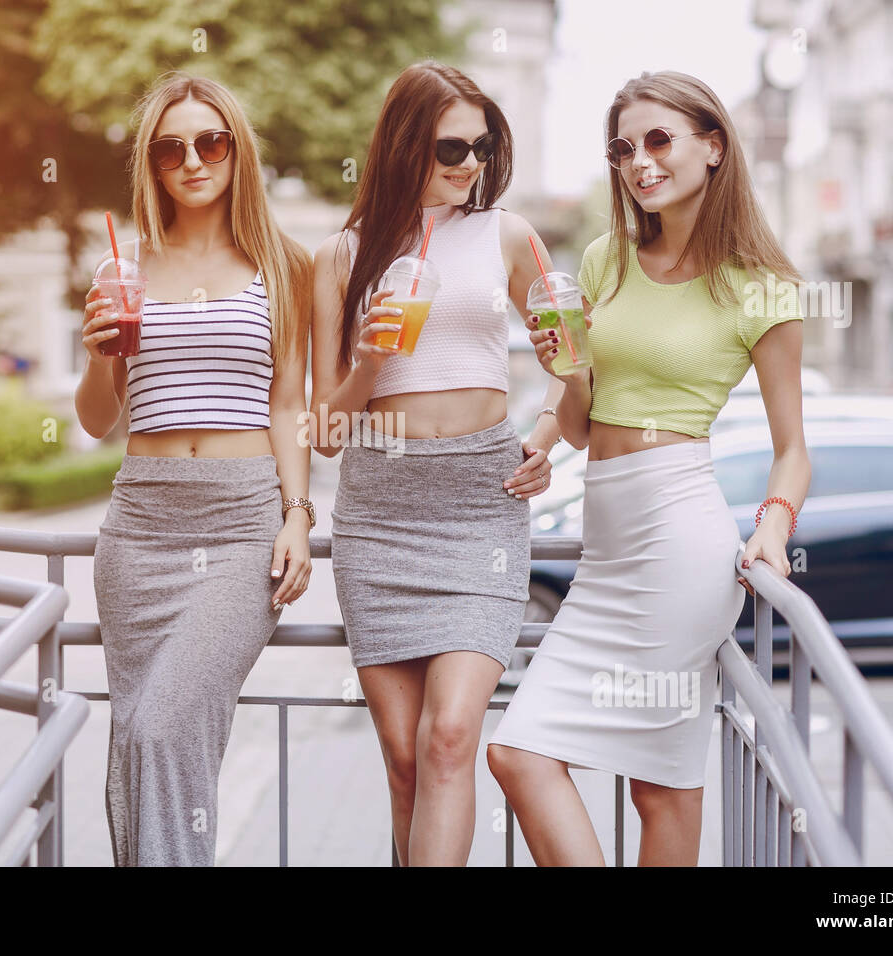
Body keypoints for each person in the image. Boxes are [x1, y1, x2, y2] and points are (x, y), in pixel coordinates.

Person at [487, 70, 811, 866]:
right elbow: (585, 413)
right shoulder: (606, 260)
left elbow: (794, 447)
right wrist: (547, 416)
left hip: (681, 539)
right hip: (607, 551)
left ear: (713, 145)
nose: (640, 163)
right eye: (624, 148)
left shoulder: (763, 289)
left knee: (660, 788)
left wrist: (774, 523)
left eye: (659, 140)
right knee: (519, 752)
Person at [309, 61, 567, 866]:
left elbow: (577, 364)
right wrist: (370, 359)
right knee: (406, 762)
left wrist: (549, 435)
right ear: (404, 144)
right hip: (379, 513)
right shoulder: (340, 256)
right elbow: (324, 430)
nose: (470, 166)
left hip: (479, 505)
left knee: (452, 734)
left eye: (483, 148)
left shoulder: (510, 236)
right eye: (452, 148)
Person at [75, 72, 314, 866]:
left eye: (211, 140)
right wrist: (97, 356)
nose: (192, 159)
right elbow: (98, 418)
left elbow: (287, 407)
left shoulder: (283, 264)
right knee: (141, 740)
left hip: (242, 526)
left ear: (237, 151)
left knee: (163, 725)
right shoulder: (124, 269)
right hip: (139, 528)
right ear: (152, 163)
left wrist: (298, 515)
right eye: (171, 147)